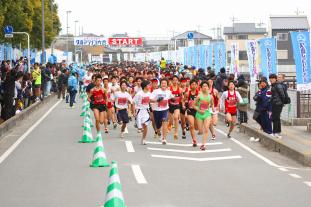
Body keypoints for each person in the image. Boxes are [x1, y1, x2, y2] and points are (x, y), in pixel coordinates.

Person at [150, 78, 174, 145]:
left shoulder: (168, 92)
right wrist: (156, 100)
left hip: (165, 110)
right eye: (162, 83)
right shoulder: (156, 91)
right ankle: (159, 133)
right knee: (158, 125)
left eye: (165, 83)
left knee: (164, 121)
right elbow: (150, 99)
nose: (164, 84)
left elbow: (172, 97)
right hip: (156, 110)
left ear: (167, 85)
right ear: (160, 84)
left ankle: (164, 138)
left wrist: (174, 99)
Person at [193, 81, 214, 150]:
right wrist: (199, 110)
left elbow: (212, 103)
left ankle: (203, 144)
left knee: (206, 128)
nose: (205, 87)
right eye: (203, 86)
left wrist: (212, 107)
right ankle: (199, 130)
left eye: (206, 86)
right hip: (199, 114)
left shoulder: (210, 96)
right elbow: (193, 105)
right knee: (200, 130)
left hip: (207, 113)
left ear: (208, 87)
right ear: (201, 88)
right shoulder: (199, 96)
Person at [133, 80, 151, 145]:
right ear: (145, 86)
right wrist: (134, 112)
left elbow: (151, 100)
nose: (150, 86)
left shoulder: (149, 93)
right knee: (140, 128)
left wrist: (158, 100)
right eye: (149, 85)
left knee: (145, 125)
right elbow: (133, 102)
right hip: (139, 111)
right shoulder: (139, 94)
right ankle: (137, 124)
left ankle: (144, 139)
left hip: (146, 110)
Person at [269, 74, 286, 138]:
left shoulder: (278, 85)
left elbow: (283, 95)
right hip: (275, 103)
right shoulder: (274, 85)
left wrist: (281, 103)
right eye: (270, 78)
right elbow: (273, 95)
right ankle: (278, 131)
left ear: (275, 79)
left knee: (275, 118)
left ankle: (275, 132)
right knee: (277, 118)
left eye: (272, 78)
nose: (271, 79)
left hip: (278, 104)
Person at [184, 79, 199, 147]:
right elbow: (184, 101)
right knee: (192, 126)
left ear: (197, 85)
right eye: (192, 84)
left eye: (195, 84)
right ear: (190, 85)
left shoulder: (199, 93)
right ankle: (194, 140)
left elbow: (203, 102)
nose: (194, 85)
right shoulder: (187, 93)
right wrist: (184, 106)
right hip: (190, 111)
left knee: (196, 127)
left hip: (197, 111)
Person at [168, 76, 182, 140]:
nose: (175, 81)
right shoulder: (169, 89)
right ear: (171, 81)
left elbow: (182, 98)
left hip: (177, 105)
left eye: (176, 80)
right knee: (170, 121)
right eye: (174, 80)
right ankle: (169, 125)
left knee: (176, 117)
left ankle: (176, 132)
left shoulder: (180, 89)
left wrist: (183, 105)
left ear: (178, 81)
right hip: (170, 105)